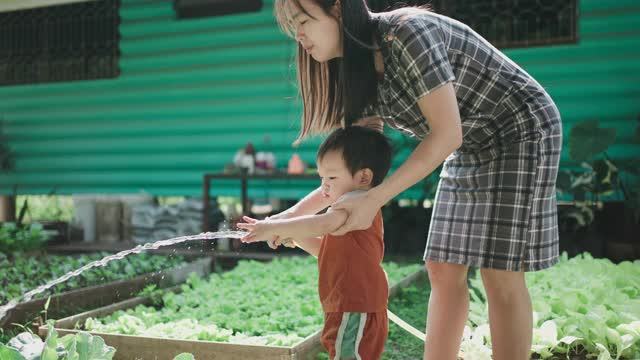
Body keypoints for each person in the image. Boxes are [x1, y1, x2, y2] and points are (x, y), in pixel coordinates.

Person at [262, 1, 563, 359]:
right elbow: (352, 174)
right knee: (442, 266)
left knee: (499, 271)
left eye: (304, 21)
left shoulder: (405, 33)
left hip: (519, 129)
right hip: (467, 144)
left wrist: (375, 199)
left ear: (338, 10)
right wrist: (287, 219)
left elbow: (446, 133)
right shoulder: (355, 72)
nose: (299, 36)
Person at [238, 126, 393, 359]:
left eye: (331, 177)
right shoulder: (349, 205)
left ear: (364, 177)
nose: (324, 186)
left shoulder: (355, 203)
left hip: (354, 305)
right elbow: (326, 252)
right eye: (321, 178)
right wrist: (296, 236)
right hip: (348, 304)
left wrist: (274, 227)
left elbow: (320, 224)